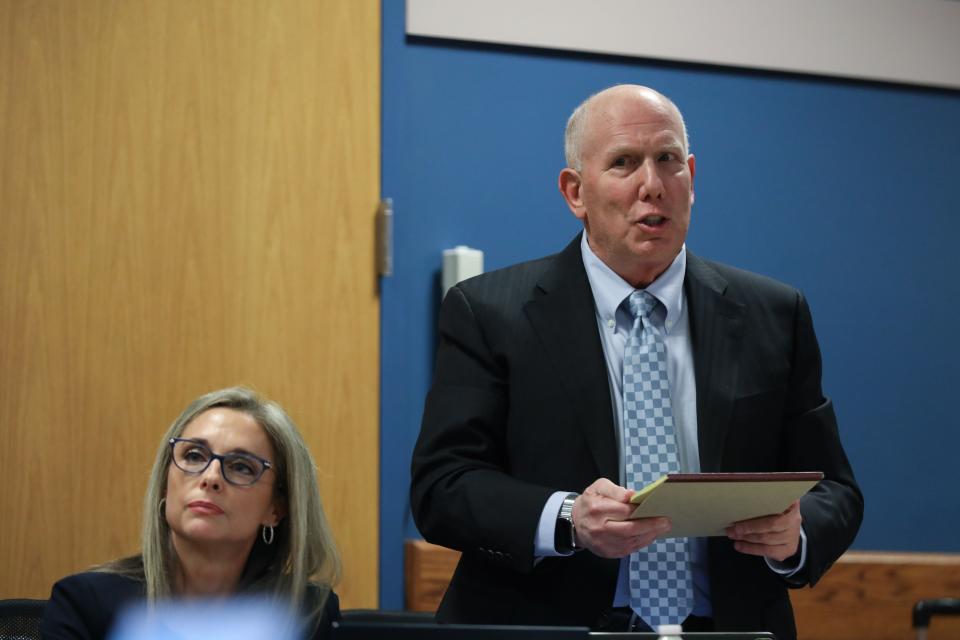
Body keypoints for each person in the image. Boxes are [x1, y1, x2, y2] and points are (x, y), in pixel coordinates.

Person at [410, 85, 863, 640]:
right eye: (624, 163)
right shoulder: (491, 312)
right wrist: (567, 517)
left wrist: (796, 537)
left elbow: (835, 490)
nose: (652, 185)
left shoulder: (773, 313)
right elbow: (443, 486)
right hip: (546, 626)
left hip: (727, 627)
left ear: (691, 177)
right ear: (575, 192)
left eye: (668, 160)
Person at [41, 386, 342, 639]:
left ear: (276, 509)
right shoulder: (85, 604)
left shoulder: (305, 613)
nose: (211, 477)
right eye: (194, 455)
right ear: (164, 484)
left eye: (241, 467)